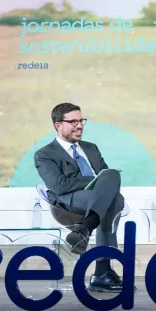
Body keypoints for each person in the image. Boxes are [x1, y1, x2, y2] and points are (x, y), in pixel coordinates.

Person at [34, 103, 128, 293]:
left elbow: (107, 181)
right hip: (67, 202)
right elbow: (59, 186)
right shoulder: (45, 154)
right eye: (73, 121)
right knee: (113, 199)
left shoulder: (91, 148)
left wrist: (101, 180)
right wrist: (95, 180)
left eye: (81, 121)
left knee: (112, 178)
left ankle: (85, 229)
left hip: (94, 199)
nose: (80, 125)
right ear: (58, 125)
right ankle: (102, 272)